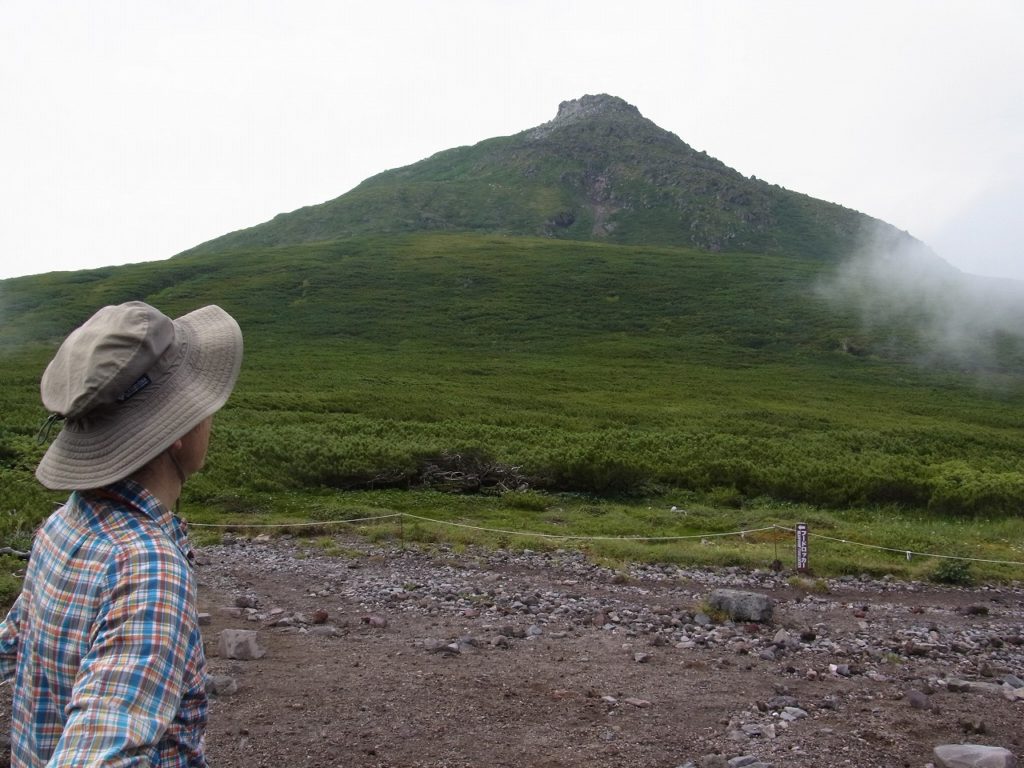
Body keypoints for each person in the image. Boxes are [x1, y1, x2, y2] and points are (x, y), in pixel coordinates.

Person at [0, 301, 243, 767]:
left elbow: (13, 642)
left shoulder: (62, 525)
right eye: (204, 404)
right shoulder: (147, 567)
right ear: (177, 429)